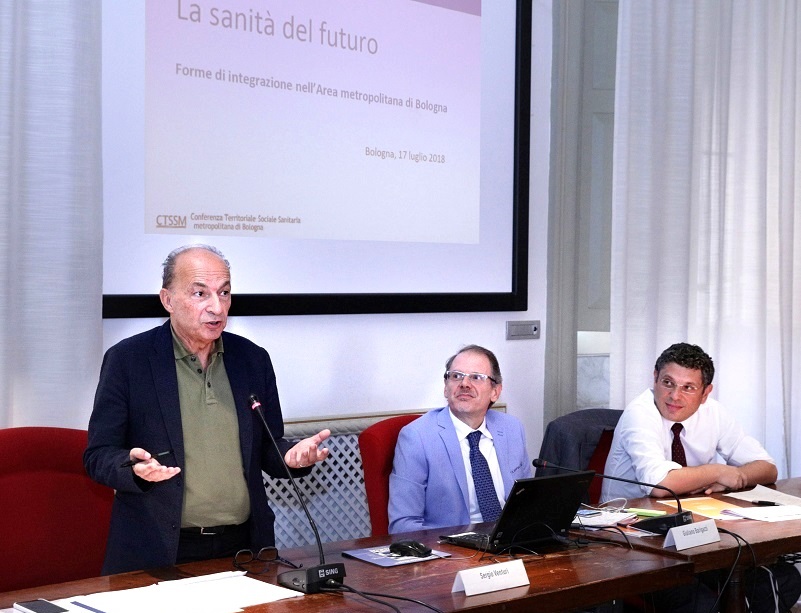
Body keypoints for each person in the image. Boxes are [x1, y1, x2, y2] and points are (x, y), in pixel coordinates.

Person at [84, 244, 331, 574]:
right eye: (200, 294)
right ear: (167, 300)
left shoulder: (252, 360)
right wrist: (132, 468)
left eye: (224, 293)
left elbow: (268, 449)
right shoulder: (129, 361)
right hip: (160, 550)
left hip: (244, 548)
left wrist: (291, 457)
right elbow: (98, 455)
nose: (217, 307)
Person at [602, 342, 801, 613]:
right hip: (635, 539)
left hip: (691, 533)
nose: (674, 396)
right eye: (667, 382)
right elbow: (661, 484)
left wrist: (739, 475)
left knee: (780, 580)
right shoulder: (640, 413)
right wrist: (720, 471)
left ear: (706, 392)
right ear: (654, 378)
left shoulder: (713, 411)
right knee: (702, 605)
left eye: (688, 387)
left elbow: (767, 467)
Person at [388, 345, 530, 534]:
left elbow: (528, 504)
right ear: (446, 388)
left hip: (511, 543)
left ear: (495, 391)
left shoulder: (512, 428)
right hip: (450, 551)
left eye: (476, 377)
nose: (464, 383)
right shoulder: (417, 437)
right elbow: (403, 525)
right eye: (456, 376)